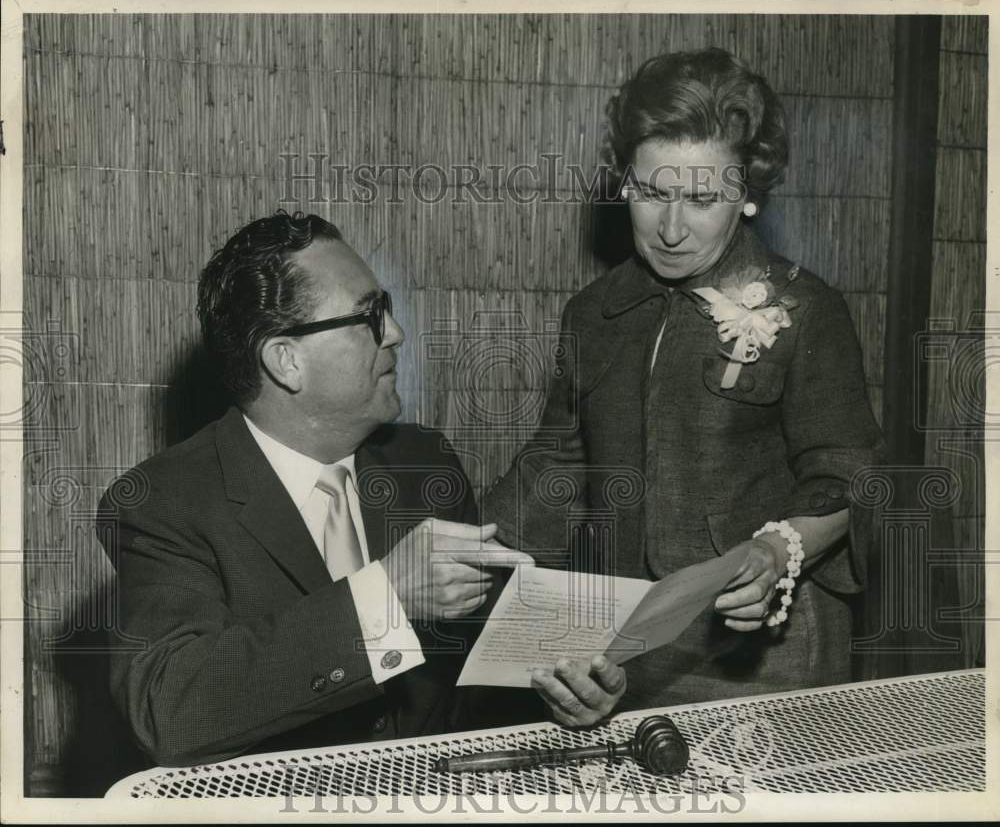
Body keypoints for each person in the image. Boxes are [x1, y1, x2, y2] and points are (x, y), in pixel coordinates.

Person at [484, 48, 885, 716]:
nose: (671, 228)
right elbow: (554, 463)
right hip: (630, 646)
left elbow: (851, 479)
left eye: (702, 199)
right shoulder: (595, 313)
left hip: (767, 652)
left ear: (749, 192)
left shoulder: (807, 310)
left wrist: (775, 549)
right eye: (651, 193)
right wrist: (465, 552)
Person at [96, 211, 556, 767]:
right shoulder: (162, 502)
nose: (395, 333)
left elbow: (472, 671)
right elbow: (170, 710)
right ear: (286, 361)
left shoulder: (422, 461)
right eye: (369, 316)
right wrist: (385, 601)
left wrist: (555, 689)